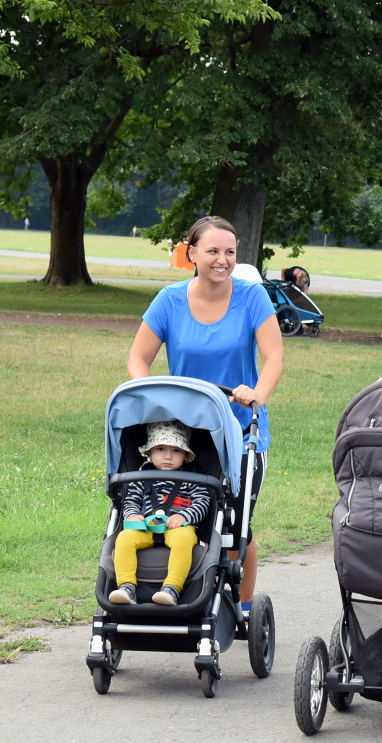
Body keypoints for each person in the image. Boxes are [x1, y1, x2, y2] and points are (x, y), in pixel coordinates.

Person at [127, 215, 284, 612]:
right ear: (191, 253)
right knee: (178, 516)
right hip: (182, 433)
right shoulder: (170, 300)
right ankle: (181, 588)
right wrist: (148, 397)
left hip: (239, 427)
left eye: (230, 252)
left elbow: (273, 356)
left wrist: (257, 394)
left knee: (235, 525)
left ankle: (243, 607)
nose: (222, 259)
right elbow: (138, 357)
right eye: (212, 250)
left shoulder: (252, 297)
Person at [109, 421, 212, 606]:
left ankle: (171, 588)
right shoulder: (141, 478)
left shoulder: (193, 479)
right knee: (124, 538)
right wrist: (132, 516)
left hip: (178, 526)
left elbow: (202, 502)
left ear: (186, 455)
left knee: (184, 539)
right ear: (149, 453)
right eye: (161, 449)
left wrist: (185, 516)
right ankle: (126, 587)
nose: (168, 456)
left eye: (176, 451)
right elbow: (131, 501)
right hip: (146, 526)